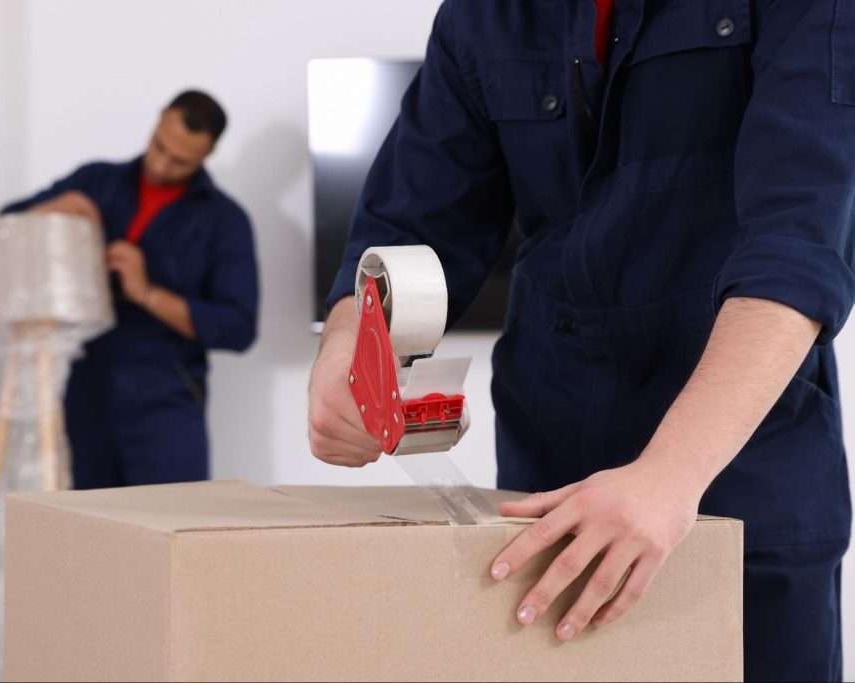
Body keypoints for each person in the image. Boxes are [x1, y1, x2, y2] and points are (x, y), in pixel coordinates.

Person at [307, 2, 855, 680]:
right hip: (548, 490)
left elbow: (798, 247)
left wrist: (668, 474)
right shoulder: (484, 16)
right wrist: (350, 344)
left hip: (739, 486)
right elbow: (411, 219)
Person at [3, 90, 259, 488]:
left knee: (172, 533)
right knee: (92, 537)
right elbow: (5, 224)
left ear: (206, 157)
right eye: (159, 146)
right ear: (158, 120)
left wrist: (146, 293)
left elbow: (239, 327)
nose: (160, 164)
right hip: (86, 395)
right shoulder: (96, 181)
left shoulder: (225, 221)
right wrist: (56, 210)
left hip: (167, 408)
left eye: (180, 162)